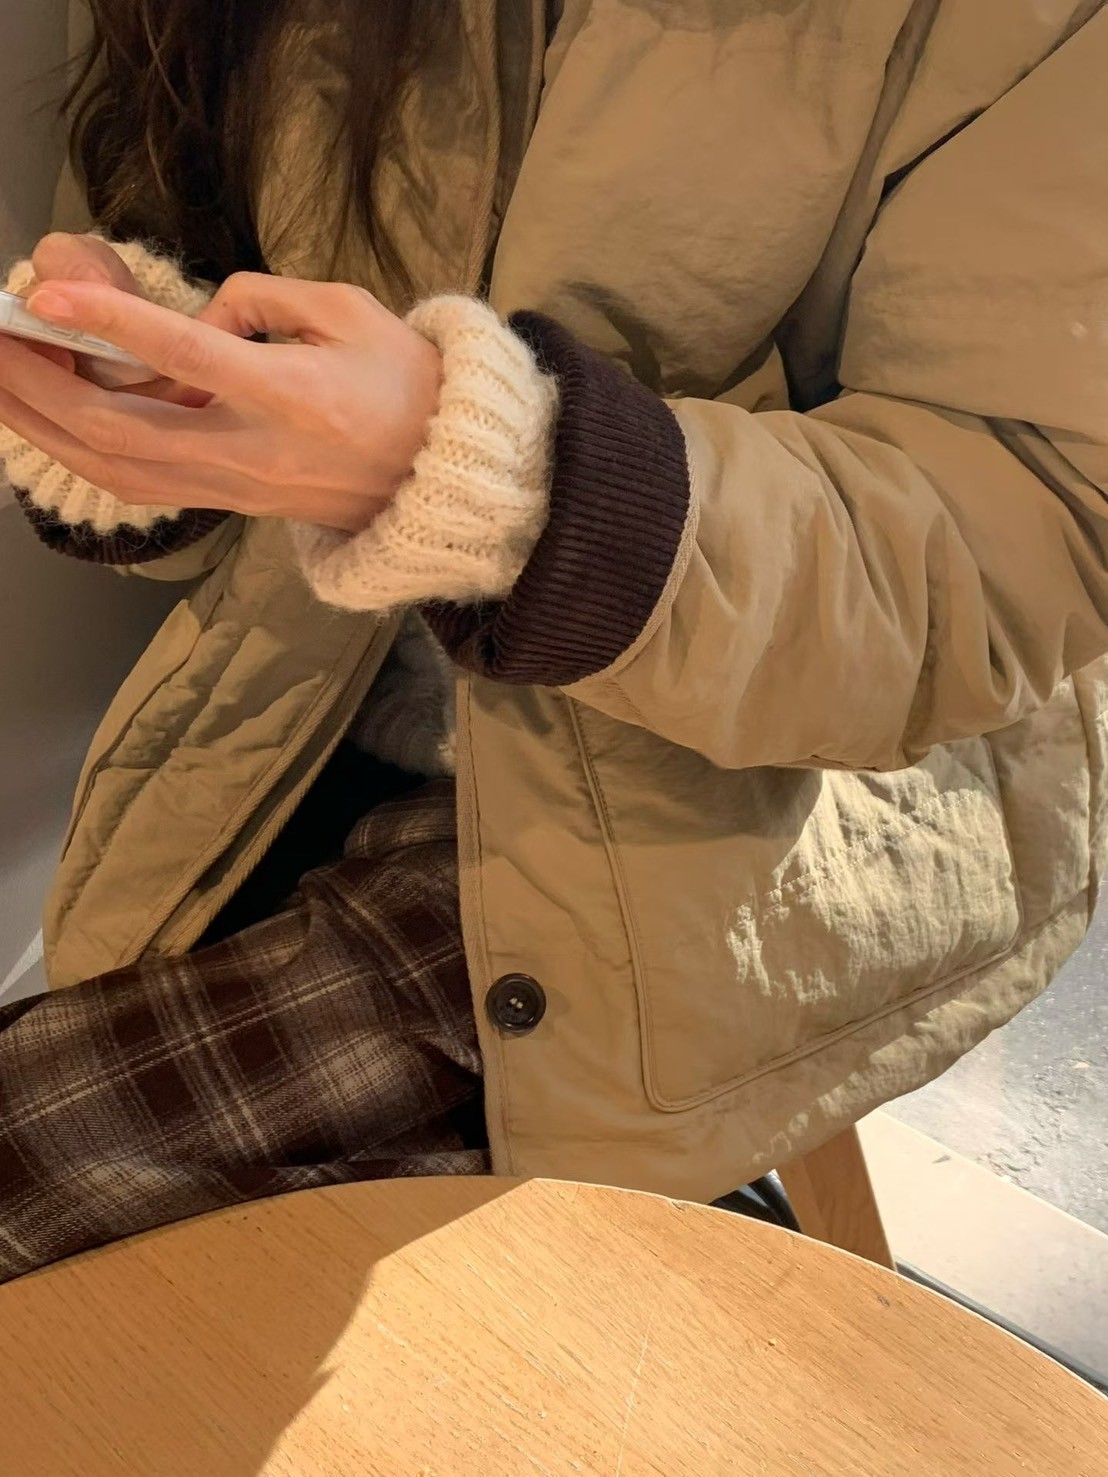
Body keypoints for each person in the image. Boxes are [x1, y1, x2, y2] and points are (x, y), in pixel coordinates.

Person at [0, 0, 1105, 1283]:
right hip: (306, 697)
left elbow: (1001, 548)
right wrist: (155, 384)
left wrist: (494, 481)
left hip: (789, 792)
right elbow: (185, 275)